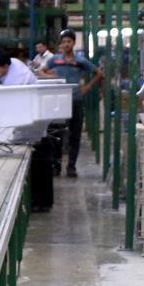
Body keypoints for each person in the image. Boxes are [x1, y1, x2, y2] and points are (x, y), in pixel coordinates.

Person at [39, 29, 104, 177]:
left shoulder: (80, 61)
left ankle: (71, 167)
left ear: (74, 43)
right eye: (64, 42)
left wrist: (87, 87)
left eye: (69, 41)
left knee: (75, 134)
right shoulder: (54, 60)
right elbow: (41, 71)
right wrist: (50, 78)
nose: (66, 44)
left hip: (75, 100)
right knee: (56, 134)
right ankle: (56, 166)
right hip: (58, 101)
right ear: (61, 44)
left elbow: (99, 74)